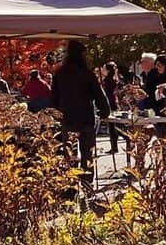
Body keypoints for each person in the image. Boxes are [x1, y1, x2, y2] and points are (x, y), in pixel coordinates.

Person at [51, 40, 111, 175]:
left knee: (69, 153)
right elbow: (99, 94)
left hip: (67, 117)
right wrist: (105, 111)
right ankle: (87, 183)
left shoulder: (60, 74)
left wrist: (54, 114)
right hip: (85, 117)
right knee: (87, 154)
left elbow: (53, 96)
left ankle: (71, 186)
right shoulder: (86, 73)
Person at [102, 61, 121, 153]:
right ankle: (114, 146)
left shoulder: (108, 80)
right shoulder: (114, 78)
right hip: (113, 102)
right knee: (113, 126)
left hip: (110, 103)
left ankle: (116, 145)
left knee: (113, 126)